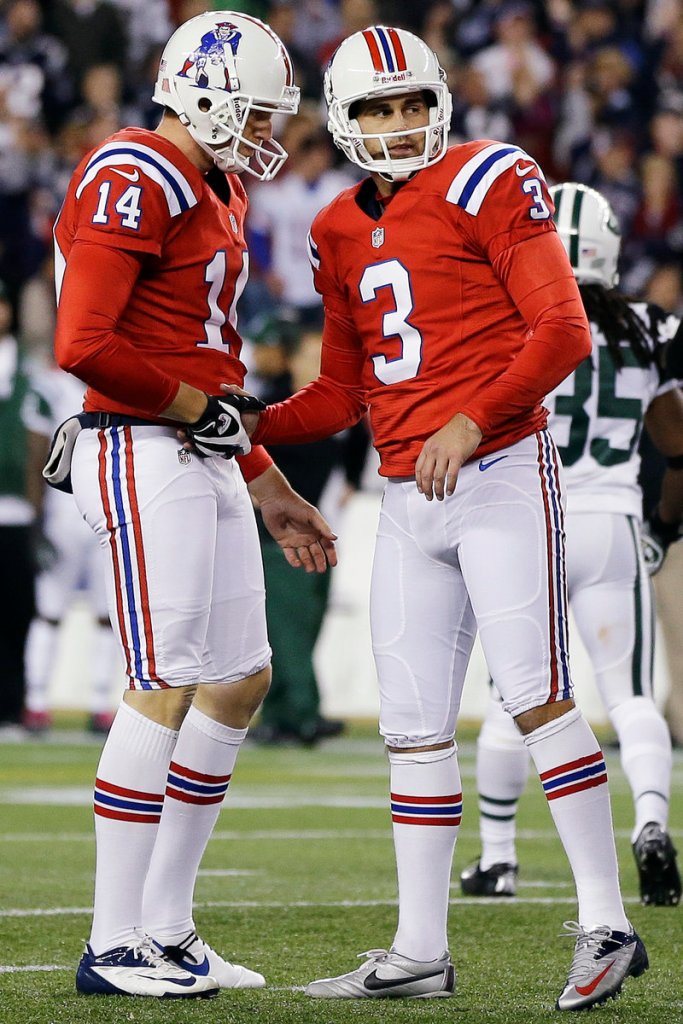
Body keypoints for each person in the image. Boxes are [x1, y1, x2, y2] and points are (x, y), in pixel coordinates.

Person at [245, 25, 649, 1011]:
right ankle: (418, 948)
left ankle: (607, 922)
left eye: (410, 103)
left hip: (501, 469)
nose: (397, 124)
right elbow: (342, 389)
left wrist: (470, 421)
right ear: (343, 118)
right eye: (376, 108)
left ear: (440, 104)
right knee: (412, 727)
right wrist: (246, 420)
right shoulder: (336, 225)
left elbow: (559, 327)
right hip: (406, 491)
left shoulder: (488, 177)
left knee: (534, 692)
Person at [50, 11, 336, 1000]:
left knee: (239, 680)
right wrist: (199, 416)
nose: (265, 129)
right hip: (138, 444)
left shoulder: (211, 184)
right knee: (165, 677)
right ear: (204, 91)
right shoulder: (136, 171)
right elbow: (82, 340)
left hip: (195, 446)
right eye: (254, 107)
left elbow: (202, 361)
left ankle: (167, 927)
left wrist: (265, 479)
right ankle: (111, 938)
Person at [459, 183, 683, 910]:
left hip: (534, 520)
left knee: (510, 699)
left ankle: (497, 858)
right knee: (631, 696)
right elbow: (675, 442)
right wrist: (664, 521)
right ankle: (650, 821)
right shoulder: (652, 326)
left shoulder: (515, 314)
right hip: (611, 522)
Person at [248, 316, 368, 744]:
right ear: (292, 360)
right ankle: (304, 712)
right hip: (278, 535)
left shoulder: (333, 406)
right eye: (311, 356)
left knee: (300, 625)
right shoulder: (271, 406)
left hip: (317, 529)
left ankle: (276, 717)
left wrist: (353, 477)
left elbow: (357, 441)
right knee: (290, 628)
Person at [22, 368, 118, 735]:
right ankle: (36, 702)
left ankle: (99, 703)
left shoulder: (123, 381)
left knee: (106, 612)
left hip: (108, 504)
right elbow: (35, 450)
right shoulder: (51, 387)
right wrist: (36, 518)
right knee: (49, 610)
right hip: (64, 511)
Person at [0, 279, 51, 729]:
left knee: (17, 613)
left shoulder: (24, 373)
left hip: (14, 513)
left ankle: (14, 702)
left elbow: (38, 446)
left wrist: (39, 516)